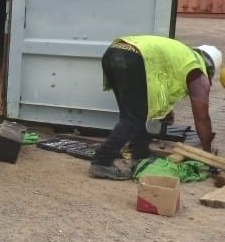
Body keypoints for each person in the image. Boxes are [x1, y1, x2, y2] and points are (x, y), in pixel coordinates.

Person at [89, 36, 221, 180]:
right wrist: (208, 154)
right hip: (133, 58)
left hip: (114, 52)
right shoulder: (197, 70)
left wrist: (167, 110)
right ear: (211, 69)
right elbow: (202, 119)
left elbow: (159, 83)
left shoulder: (182, 56)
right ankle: (101, 161)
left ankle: (139, 153)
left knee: (131, 114)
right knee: (133, 117)